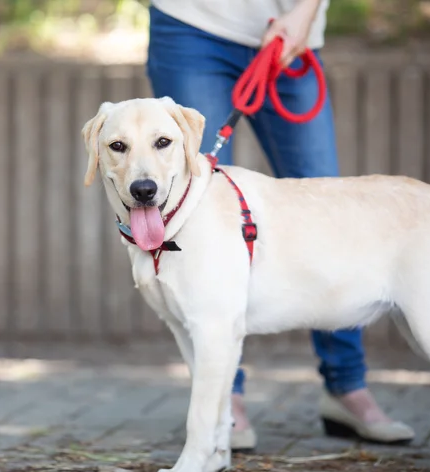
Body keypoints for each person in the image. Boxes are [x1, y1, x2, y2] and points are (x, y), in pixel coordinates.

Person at [145, 0, 415, 451]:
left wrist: (306, 12)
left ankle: (345, 386)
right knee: (199, 213)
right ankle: (223, 406)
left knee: (330, 213)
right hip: (192, 24)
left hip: (291, 30)